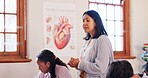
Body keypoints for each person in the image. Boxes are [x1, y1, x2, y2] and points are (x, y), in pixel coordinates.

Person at [68, 10, 114, 78]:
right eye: (83, 21)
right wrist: (76, 64)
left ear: (95, 22)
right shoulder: (88, 41)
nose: (84, 23)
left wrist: (79, 64)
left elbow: (100, 68)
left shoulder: (103, 40)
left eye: (87, 20)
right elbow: (86, 66)